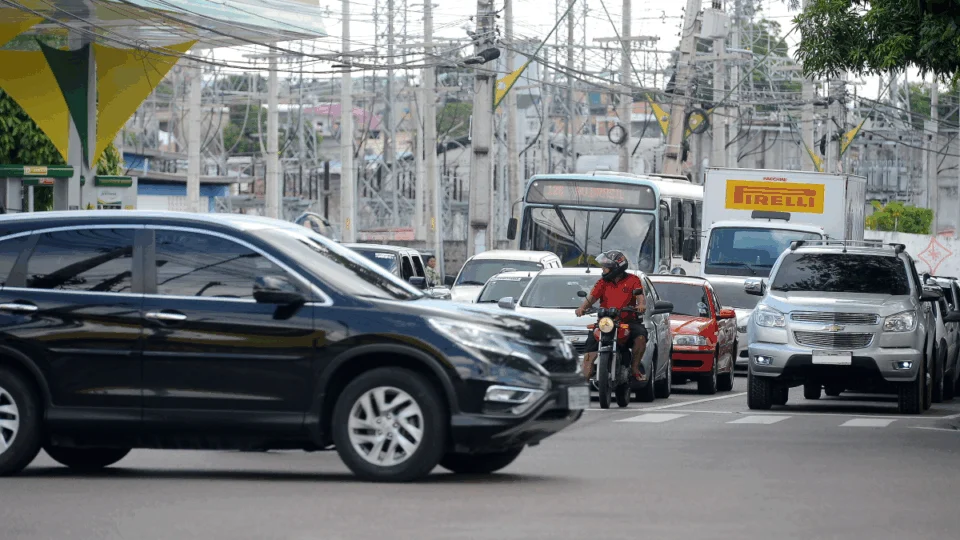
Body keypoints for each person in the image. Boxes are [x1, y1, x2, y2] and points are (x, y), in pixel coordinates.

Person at [574, 250, 648, 382]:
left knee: (641, 337)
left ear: (616, 268)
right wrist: (582, 308)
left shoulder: (633, 280)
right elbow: (592, 298)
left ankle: (634, 368)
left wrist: (641, 305)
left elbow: (640, 296)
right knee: (589, 352)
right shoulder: (602, 282)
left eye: (606, 267)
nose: (603, 269)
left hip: (628, 321)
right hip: (606, 322)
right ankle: (582, 381)